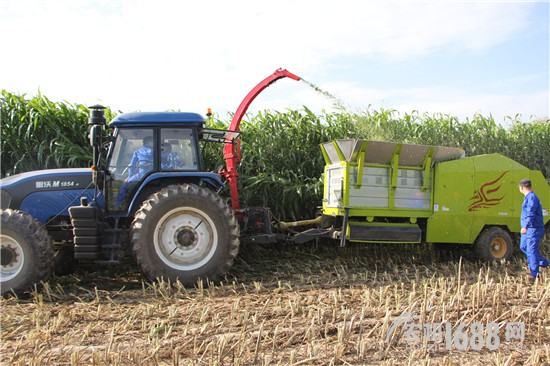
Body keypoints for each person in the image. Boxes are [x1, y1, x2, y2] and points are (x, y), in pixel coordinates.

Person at [518, 179, 549, 283]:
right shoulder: (527, 197)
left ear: (522, 187)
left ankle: (534, 274)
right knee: (524, 247)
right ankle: (543, 262)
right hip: (529, 229)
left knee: (531, 250)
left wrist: (525, 226)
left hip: (533, 228)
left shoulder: (532, 198)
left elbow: (530, 213)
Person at [116, 136, 154, 206]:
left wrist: (130, 177)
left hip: (141, 175)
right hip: (153, 174)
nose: (154, 143)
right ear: (149, 142)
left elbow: (132, 166)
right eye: (153, 141)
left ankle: (119, 205)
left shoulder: (138, 152)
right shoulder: (158, 151)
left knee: (124, 187)